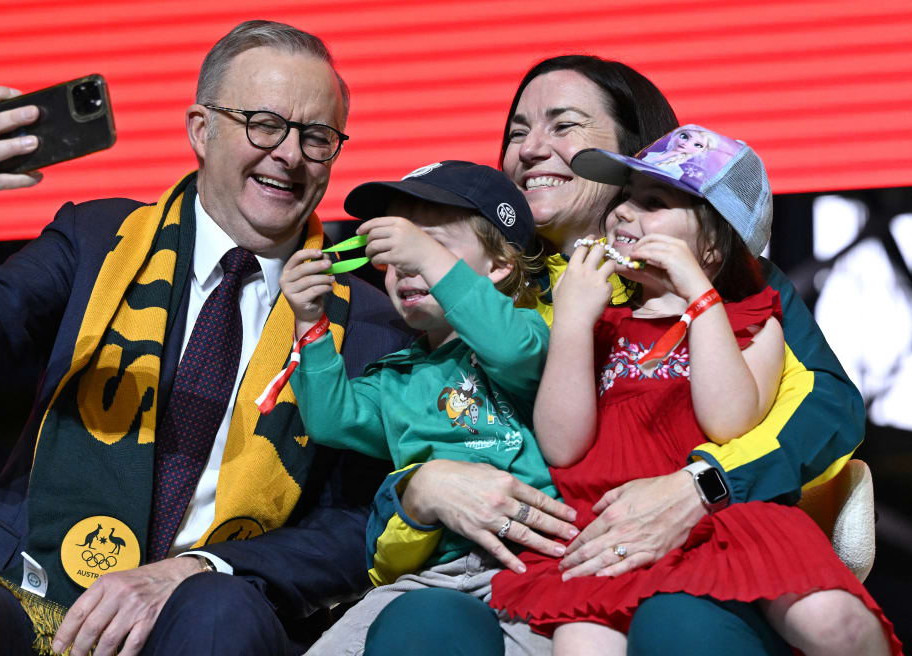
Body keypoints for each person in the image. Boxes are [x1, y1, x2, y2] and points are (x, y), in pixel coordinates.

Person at [0, 20, 411, 656]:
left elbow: (358, 526)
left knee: (218, 613)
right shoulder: (97, 240)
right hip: (40, 594)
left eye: (316, 137)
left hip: (214, 613)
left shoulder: (370, 322)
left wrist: (196, 572)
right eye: (264, 124)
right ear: (200, 130)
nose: (290, 155)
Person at [361, 56, 865, 656]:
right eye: (517, 132)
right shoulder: (467, 280)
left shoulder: (731, 284)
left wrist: (703, 485)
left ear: (635, 152)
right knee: (418, 628)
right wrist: (419, 488)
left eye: (563, 125)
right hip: (491, 574)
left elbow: (828, 411)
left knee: (680, 628)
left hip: (679, 564)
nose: (530, 149)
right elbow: (399, 420)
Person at [489, 125, 901, 656]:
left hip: (727, 523)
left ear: (712, 241)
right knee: (581, 646)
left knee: (833, 623)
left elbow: (728, 421)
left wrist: (700, 298)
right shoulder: (599, 325)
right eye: (624, 198)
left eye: (653, 202)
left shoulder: (752, 319)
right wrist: (570, 323)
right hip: (606, 529)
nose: (621, 214)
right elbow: (562, 445)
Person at [278, 161, 561, 653]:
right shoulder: (398, 374)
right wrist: (309, 322)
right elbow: (329, 420)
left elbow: (510, 350)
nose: (407, 264)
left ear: (498, 266)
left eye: (433, 245)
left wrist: (426, 257)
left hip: (529, 566)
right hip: (428, 574)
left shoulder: (526, 334)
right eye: (396, 251)